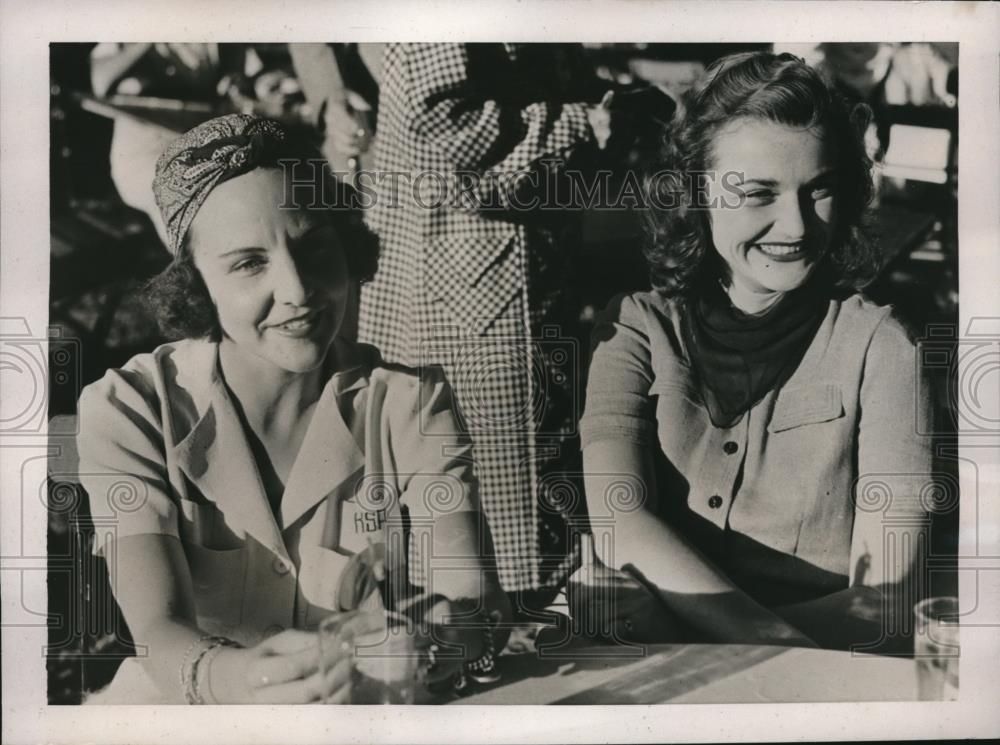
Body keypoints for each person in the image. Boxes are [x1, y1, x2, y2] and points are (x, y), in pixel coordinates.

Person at [77, 114, 507, 704]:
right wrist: (243, 679)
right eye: (250, 262)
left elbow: (470, 599)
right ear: (196, 285)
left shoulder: (409, 404)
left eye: (314, 247)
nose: (300, 289)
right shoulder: (132, 411)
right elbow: (157, 629)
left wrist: (430, 641)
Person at [579, 52, 934, 651]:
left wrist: (676, 628)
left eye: (817, 190)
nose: (795, 227)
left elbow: (889, 603)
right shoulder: (634, 330)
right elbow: (621, 523)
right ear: (696, 194)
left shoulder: (884, 346)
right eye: (759, 194)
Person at [358, 43, 638, 611]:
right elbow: (442, 134)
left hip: (512, 271)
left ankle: (515, 612)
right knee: (471, 473)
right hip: (463, 282)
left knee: (520, 468)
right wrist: (585, 121)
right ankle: (478, 623)